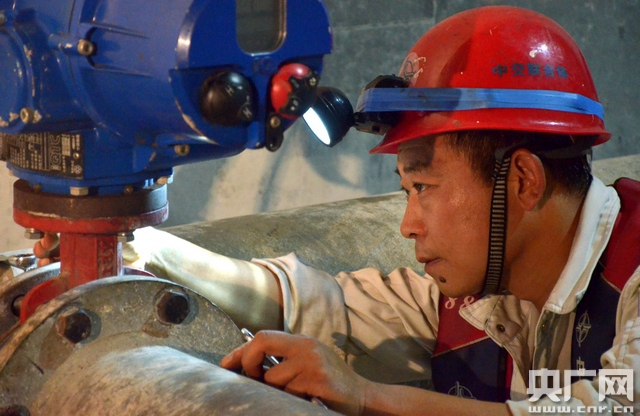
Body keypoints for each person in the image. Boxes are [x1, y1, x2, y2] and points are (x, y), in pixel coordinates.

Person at [34, 6, 639, 416]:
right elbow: (320, 307)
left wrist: (367, 396)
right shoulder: (471, 299)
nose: (408, 225)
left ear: (524, 180)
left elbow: (612, 407)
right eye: (405, 192)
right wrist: (149, 249)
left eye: (424, 187)